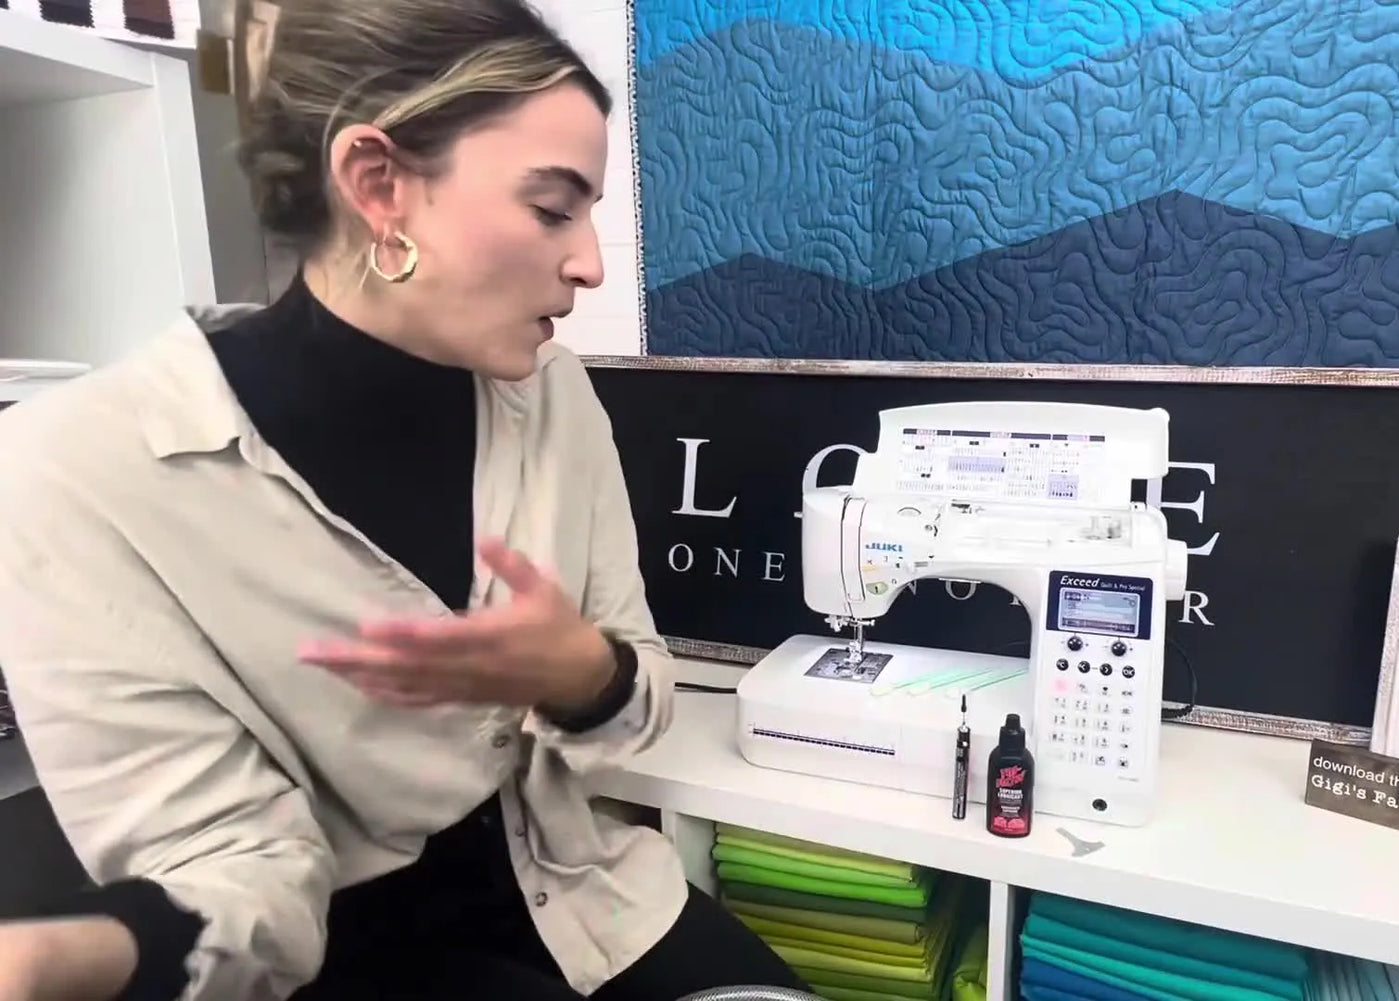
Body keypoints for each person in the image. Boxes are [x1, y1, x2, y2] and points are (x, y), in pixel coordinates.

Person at [0, 1, 809, 999]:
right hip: (346, 958)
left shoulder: (552, 392)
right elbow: (228, 864)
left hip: (586, 894)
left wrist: (581, 675)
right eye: (554, 207)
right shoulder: (69, 469)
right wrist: (72, 957)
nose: (589, 261)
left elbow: (632, 712)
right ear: (379, 185)